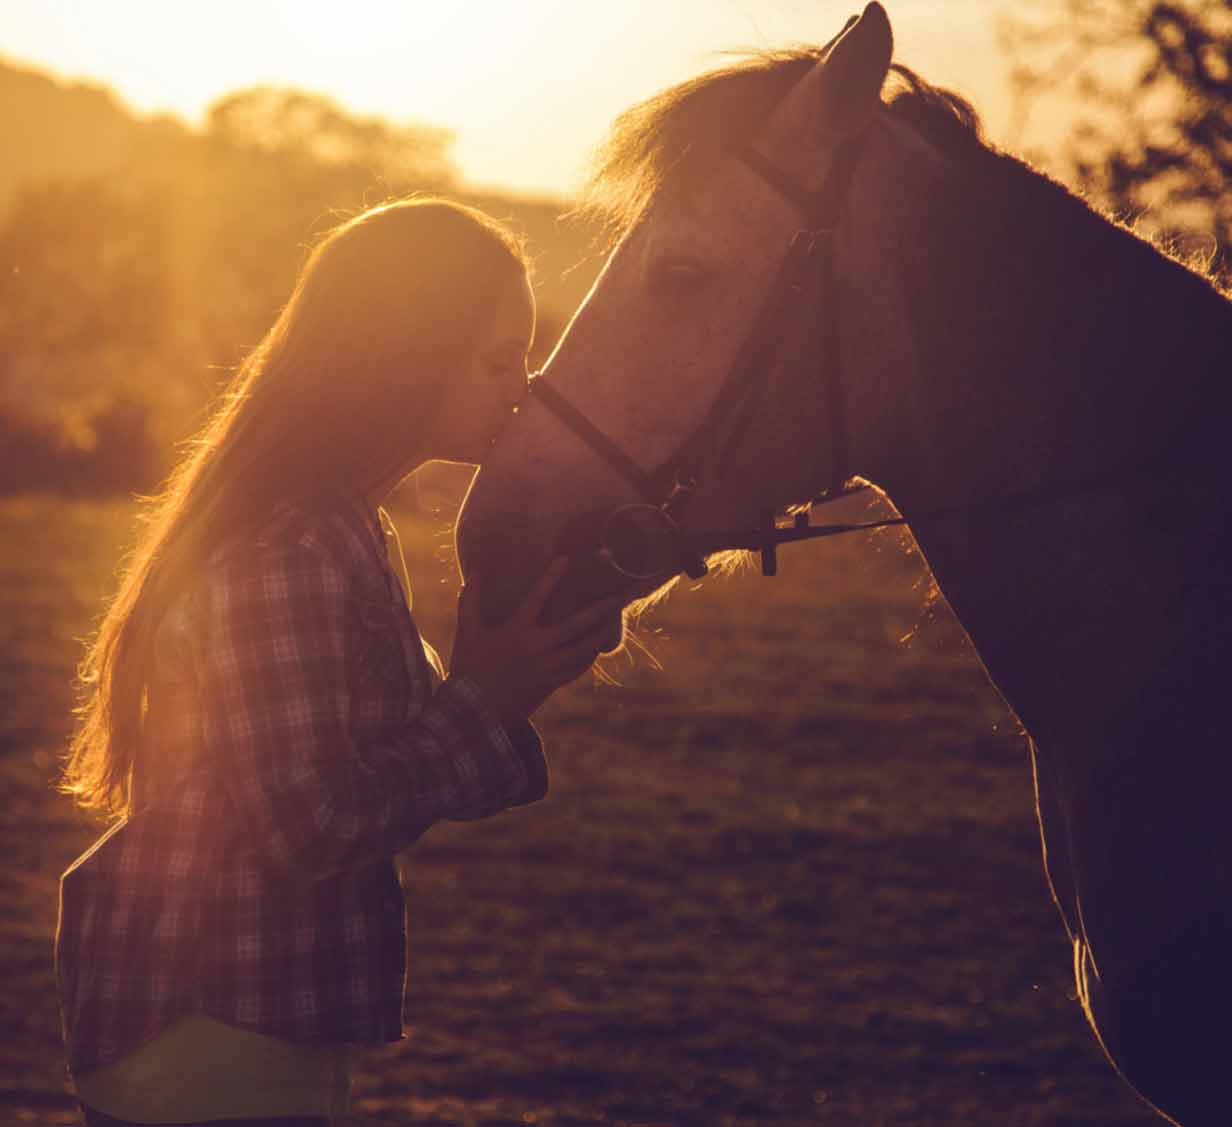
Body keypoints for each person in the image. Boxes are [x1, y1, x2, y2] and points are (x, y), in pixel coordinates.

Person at [54, 198, 620, 1127]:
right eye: (496, 359)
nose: (520, 388)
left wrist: (493, 681)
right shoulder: (290, 544)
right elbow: (310, 825)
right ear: (406, 355)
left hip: (244, 1016)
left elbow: (379, 771)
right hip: (208, 1022)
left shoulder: (343, 522)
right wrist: (484, 701)